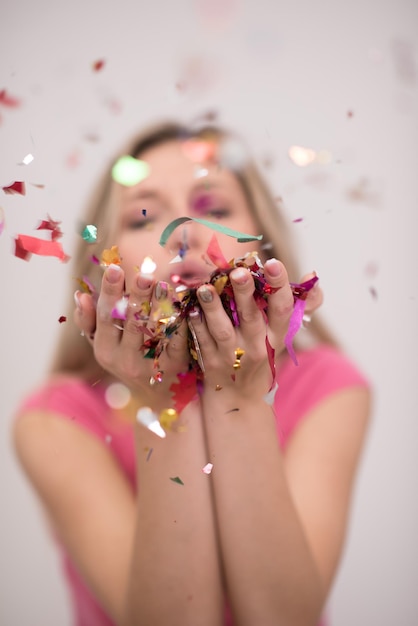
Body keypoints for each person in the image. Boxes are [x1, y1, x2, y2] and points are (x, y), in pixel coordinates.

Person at [13, 120, 371, 626]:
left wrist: (240, 397)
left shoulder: (328, 386)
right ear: (104, 270)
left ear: (265, 249)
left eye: (215, 209)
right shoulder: (55, 420)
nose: (182, 233)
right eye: (143, 216)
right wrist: (164, 402)